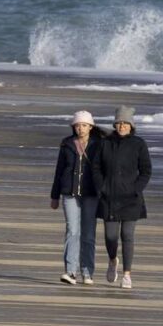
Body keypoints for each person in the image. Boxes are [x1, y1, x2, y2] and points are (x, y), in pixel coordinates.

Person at [92, 106, 152, 289]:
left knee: (127, 235)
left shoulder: (139, 144)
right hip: (108, 197)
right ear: (115, 124)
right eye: (119, 123)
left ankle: (127, 274)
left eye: (125, 123)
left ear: (131, 126)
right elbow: (95, 167)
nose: (122, 126)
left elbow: (146, 170)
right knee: (110, 236)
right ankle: (112, 260)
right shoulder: (105, 143)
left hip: (131, 198)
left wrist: (136, 189)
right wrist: (101, 187)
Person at [50, 110, 105, 285]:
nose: (80, 128)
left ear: (91, 127)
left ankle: (87, 272)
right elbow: (59, 170)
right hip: (69, 193)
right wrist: (54, 195)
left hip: (91, 194)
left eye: (84, 125)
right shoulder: (67, 144)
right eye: (77, 125)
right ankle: (70, 271)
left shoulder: (99, 144)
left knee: (88, 234)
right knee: (72, 231)